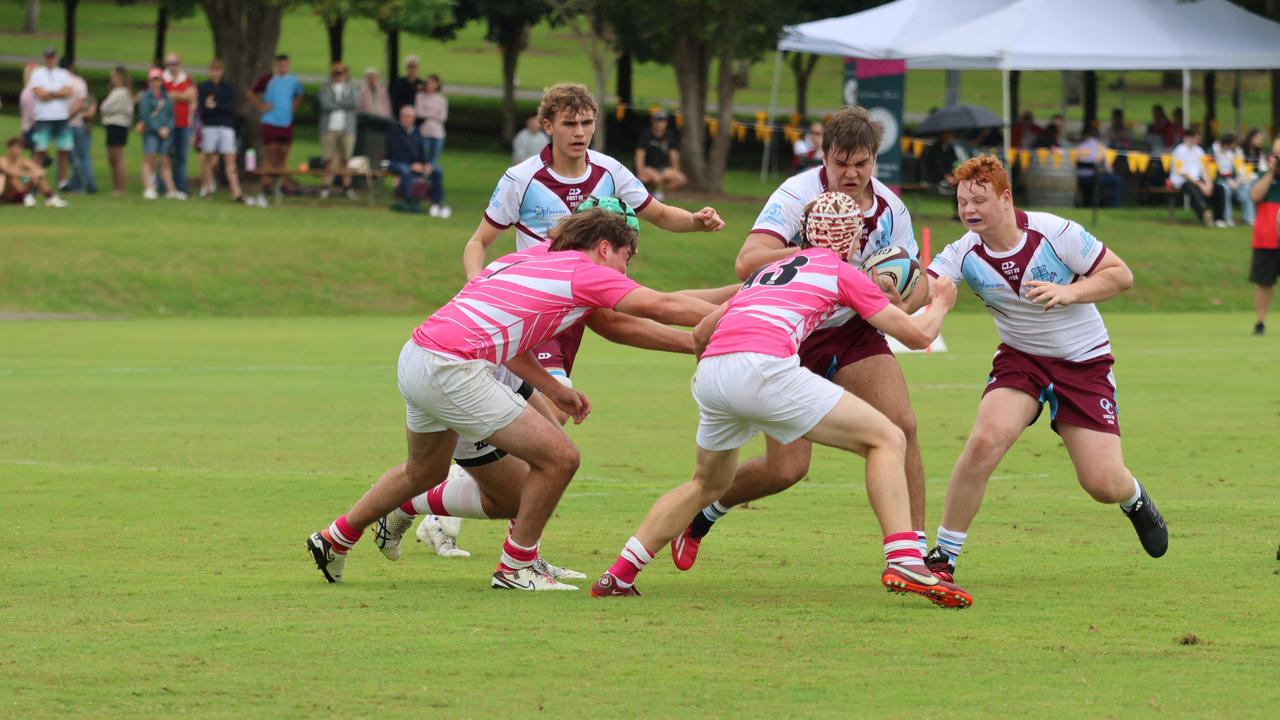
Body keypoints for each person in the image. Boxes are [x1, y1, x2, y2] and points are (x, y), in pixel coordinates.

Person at [305, 209, 720, 591]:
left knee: (423, 471)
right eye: (625, 260)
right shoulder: (584, 270)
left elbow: (515, 337)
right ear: (605, 247)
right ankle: (516, 567)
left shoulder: (526, 258)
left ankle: (334, 538)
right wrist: (740, 311)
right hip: (455, 368)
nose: (624, 273)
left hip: (417, 355)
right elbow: (663, 305)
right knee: (560, 458)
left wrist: (554, 389)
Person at [591, 191, 970, 607]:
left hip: (713, 372)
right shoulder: (842, 271)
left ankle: (618, 574)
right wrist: (941, 302)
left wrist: (721, 373)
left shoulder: (769, 271)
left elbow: (701, 334)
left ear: (804, 233)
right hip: (763, 366)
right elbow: (917, 336)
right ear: (855, 240)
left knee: (706, 483)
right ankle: (904, 560)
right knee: (887, 438)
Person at [671, 105, 933, 572]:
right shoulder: (797, 194)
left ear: (875, 160)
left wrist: (899, 298)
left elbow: (916, 285)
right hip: (791, 332)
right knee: (787, 469)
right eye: (840, 163)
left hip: (853, 329)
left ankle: (914, 553)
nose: (850, 174)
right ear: (824, 158)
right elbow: (748, 260)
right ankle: (704, 511)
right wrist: (822, 257)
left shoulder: (892, 208)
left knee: (904, 425)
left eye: (861, 164)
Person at [921, 154, 1167, 582]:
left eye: (978, 200)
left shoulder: (1054, 233)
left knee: (1102, 483)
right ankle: (944, 556)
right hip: (1021, 361)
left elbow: (1120, 275)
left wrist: (1070, 293)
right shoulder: (963, 253)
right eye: (962, 202)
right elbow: (925, 285)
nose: (969, 211)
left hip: (1083, 364)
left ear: (1005, 198)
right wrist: (891, 284)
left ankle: (1135, 498)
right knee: (984, 441)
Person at [465, 83, 723, 391]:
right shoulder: (521, 178)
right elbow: (478, 242)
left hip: (584, 300)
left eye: (586, 123)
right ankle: (737, 322)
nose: (579, 132)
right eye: (569, 123)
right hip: (540, 306)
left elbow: (663, 215)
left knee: (646, 307)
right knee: (553, 407)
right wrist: (475, 282)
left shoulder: (609, 171)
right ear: (548, 126)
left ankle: (746, 300)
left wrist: (696, 221)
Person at [248, 54, 303, 199]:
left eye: (285, 64)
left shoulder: (293, 81)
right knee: (270, 154)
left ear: (288, 65)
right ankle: (267, 184)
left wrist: (293, 107)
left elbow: (299, 95)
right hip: (271, 122)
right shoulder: (268, 79)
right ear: (276, 65)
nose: (282, 67)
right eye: (280, 65)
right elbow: (251, 92)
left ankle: (282, 184)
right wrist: (260, 105)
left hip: (286, 122)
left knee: (283, 155)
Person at [27, 47, 74, 191]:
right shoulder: (37, 74)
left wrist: (50, 93)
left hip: (61, 117)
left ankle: (62, 182)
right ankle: (33, 180)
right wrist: (57, 93)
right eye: (48, 57)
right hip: (44, 118)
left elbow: (67, 92)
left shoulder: (63, 73)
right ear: (44, 58)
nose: (50, 59)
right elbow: (40, 94)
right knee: (40, 151)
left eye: (52, 57)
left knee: (63, 150)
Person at [196, 58, 243, 202]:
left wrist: (215, 106)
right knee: (208, 159)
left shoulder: (228, 88)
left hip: (226, 126)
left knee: (230, 159)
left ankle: (236, 192)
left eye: (218, 70)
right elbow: (203, 110)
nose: (215, 73)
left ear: (222, 72)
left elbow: (230, 108)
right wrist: (212, 107)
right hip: (210, 126)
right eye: (213, 70)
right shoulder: (204, 87)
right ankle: (208, 188)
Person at [386, 104, 445, 214]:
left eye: (411, 116)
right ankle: (408, 200)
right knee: (405, 170)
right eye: (406, 116)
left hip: (415, 164)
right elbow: (394, 151)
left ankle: (437, 202)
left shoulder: (416, 131)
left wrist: (425, 164)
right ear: (401, 117)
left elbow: (421, 151)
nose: (409, 119)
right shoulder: (394, 130)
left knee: (437, 171)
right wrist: (411, 164)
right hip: (395, 162)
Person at [1248, 139, 1280, 335]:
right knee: (1264, 282)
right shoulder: (1263, 176)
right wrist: (1271, 173)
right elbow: (1255, 195)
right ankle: (1260, 321)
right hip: (1267, 239)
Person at [137, 67, 181, 200]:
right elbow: (145, 117)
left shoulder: (166, 97)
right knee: (149, 159)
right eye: (152, 80)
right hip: (151, 133)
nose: (155, 83)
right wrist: (158, 129)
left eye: (157, 80)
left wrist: (167, 128)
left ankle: (171, 190)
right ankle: (149, 188)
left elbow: (171, 115)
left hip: (165, 133)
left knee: (165, 160)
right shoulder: (145, 97)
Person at [317, 62, 358, 201]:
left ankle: (347, 187)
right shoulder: (325, 88)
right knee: (328, 159)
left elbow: (353, 102)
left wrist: (335, 104)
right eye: (335, 73)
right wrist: (342, 104)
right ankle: (325, 187)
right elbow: (324, 104)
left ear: (345, 74)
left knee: (346, 159)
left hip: (347, 129)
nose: (337, 76)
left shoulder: (350, 87)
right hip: (329, 128)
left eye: (340, 73)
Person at [1170, 127, 1225, 227]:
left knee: (1219, 188)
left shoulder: (1199, 150)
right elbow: (1184, 174)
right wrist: (1201, 185)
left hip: (1197, 179)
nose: (1199, 140)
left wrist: (1208, 183)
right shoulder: (1179, 150)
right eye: (1197, 137)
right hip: (1182, 180)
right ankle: (1204, 214)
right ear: (1189, 137)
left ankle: (1219, 219)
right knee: (1191, 187)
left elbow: (1204, 168)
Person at [160, 53, 196, 195]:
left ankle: (181, 187)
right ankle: (164, 186)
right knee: (165, 155)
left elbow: (191, 97)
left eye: (175, 63)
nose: (172, 66)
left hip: (183, 123)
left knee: (181, 156)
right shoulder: (162, 78)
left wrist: (174, 95)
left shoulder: (186, 78)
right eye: (169, 63)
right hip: (166, 124)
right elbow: (161, 98)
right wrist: (182, 95)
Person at [634, 109, 687, 200]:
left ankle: (663, 195)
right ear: (653, 122)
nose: (660, 124)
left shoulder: (669, 136)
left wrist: (675, 170)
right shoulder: (647, 135)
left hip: (663, 168)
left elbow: (673, 155)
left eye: (663, 121)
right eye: (658, 121)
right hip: (649, 167)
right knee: (655, 178)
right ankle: (653, 195)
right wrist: (640, 170)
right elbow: (640, 154)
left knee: (681, 179)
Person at [61, 57, 96, 194]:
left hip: (65, 123)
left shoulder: (58, 82)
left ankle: (74, 184)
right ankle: (89, 183)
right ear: (72, 66)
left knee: (68, 156)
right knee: (83, 156)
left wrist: (65, 117)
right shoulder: (79, 82)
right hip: (78, 122)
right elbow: (81, 102)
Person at [1, 136, 65, 207]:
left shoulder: (24, 161)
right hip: (6, 194)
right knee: (12, 177)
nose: (16, 151)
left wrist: (35, 174)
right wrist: (28, 174)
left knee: (38, 177)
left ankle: (51, 198)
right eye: (14, 149)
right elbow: (8, 171)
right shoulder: (2, 160)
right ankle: (26, 197)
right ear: (9, 148)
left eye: (19, 149)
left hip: (19, 193)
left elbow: (41, 171)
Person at [100, 66, 133, 197]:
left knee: (117, 156)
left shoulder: (122, 92)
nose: (111, 78)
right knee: (111, 157)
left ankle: (120, 188)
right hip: (112, 125)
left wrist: (107, 114)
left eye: (113, 75)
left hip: (118, 126)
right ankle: (116, 186)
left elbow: (105, 107)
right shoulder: (116, 91)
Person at [1213, 133, 1255, 227]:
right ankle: (1227, 218)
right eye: (1234, 144)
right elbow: (1216, 170)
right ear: (1228, 143)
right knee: (1225, 189)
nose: (1235, 146)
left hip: (1234, 180)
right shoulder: (1214, 150)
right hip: (1220, 180)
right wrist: (1229, 181)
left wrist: (1237, 181)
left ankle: (1249, 218)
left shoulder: (1233, 152)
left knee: (1246, 188)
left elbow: (1237, 168)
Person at [1075, 126, 1123, 208]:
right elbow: (1107, 169)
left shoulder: (1078, 147)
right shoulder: (1100, 147)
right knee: (1116, 180)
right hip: (1094, 178)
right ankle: (1115, 205)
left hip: (1079, 178)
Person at [20, 64, 37, 152]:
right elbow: (31, 114)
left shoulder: (26, 91)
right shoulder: (30, 92)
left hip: (27, 127)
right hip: (32, 127)